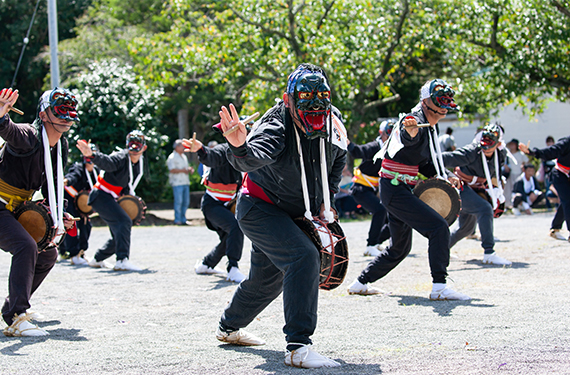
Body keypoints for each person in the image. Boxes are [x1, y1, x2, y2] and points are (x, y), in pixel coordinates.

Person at [212, 64, 346, 368]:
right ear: (288, 100)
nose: (315, 106)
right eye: (305, 99)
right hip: (258, 208)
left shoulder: (333, 122)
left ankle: (228, 327)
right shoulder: (276, 125)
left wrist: (329, 201)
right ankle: (298, 347)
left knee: (266, 282)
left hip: (293, 213)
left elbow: (337, 160)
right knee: (303, 257)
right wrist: (238, 146)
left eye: (321, 98)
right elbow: (252, 157)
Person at [347, 78, 470, 300]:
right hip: (395, 190)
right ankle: (439, 286)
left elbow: (423, 162)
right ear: (426, 102)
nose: (442, 112)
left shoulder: (429, 125)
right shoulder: (414, 121)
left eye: (445, 107)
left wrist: (447, 175)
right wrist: (410, 133)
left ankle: (360, 283)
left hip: (398, 190)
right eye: (440, 107)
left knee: (399, 249)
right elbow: (408, 138)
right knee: (439, 228)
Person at [0, 87, 77, 336]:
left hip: (15, 208)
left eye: (70, 108)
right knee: (26, 246)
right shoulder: (29, 135)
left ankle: (12, 310)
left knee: (47, 254)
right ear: (44, 114)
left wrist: (59, 215)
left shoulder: (60, 145)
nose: (66, 114)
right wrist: (2, 117)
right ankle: (18, 318)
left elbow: (52, 186)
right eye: (60, 108)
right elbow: (9, 130)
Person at [76, 130, 147, 271]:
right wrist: (92, 155)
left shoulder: (139, 163)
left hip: (111, 197)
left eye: (137, 144)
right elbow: (107, 162)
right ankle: (122, 260)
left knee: (120, 232)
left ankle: (97, 258)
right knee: (124, 222)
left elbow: (127, 186)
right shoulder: (121, 157)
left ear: (144, 148)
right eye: (131, 144)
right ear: (127, 146)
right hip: (100, 196)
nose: (134, 147)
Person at [442, 123, 511, 265]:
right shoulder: (473, 151)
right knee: (484, 209)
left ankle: (440, 250)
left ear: (498, 144)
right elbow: (444, 159)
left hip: (478, 189)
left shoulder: (500, 154)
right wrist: (447, 174)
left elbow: (494, 175)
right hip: (461, 187)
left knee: (466, 228)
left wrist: (497, 194)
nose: (487, 147)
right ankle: (489, 253)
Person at [184, 135, 246, 283]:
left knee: (229, 239)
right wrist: (201, 149)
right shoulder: (224, 150)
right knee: (235, 227)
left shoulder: (248, 154)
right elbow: (211, 156)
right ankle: (233, 268)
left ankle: (206, 264)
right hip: (212, 205)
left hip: (229, 204)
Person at [347, 119, 395, 256]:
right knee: (379, 210)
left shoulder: (392, 150)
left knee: (392, 214)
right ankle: (371, 245)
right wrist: (348, 143)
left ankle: (378, 241)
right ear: (382, 134)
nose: (390, 138)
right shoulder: (375, 147)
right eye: (388, 134)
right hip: (360, 189)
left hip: (372, 190)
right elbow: (358, 151)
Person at [520, 138, 570, 240]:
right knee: (568, 200)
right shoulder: (567, 142)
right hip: (560, 174)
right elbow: (552, 151)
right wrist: (533, 152)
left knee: (566, 201)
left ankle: (555, 228)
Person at [59, 143, 100, 265]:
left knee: (86, 226)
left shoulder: (97, 171)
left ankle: (81, 252)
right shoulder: (78, 167)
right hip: (70, 200)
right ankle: (73, 254)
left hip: (84, 204)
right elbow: (73, 176)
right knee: (72, 225)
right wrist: (66, 180)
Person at [167, 139, 193, 225]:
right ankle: (177, 219)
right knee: (178, 202)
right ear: (177, 147)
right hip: (177, 182)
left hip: (185, 182)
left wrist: (188, 170)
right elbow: (172, 169)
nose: (183, 148)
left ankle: (183, 219)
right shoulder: (172, 157)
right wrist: (184, 170)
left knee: (186, 202)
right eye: (182, 146)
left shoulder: (184, 156)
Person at [503, 139, 528, 210]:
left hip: (518, 173)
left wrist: (523, 167)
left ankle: (519, 204)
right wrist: (505, 166)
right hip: (510, 174)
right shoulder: (507, 154)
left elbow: (526, 161)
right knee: (508, 189)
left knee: (518, 189)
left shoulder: (520, 154)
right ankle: (507, 204)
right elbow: (503, 162)